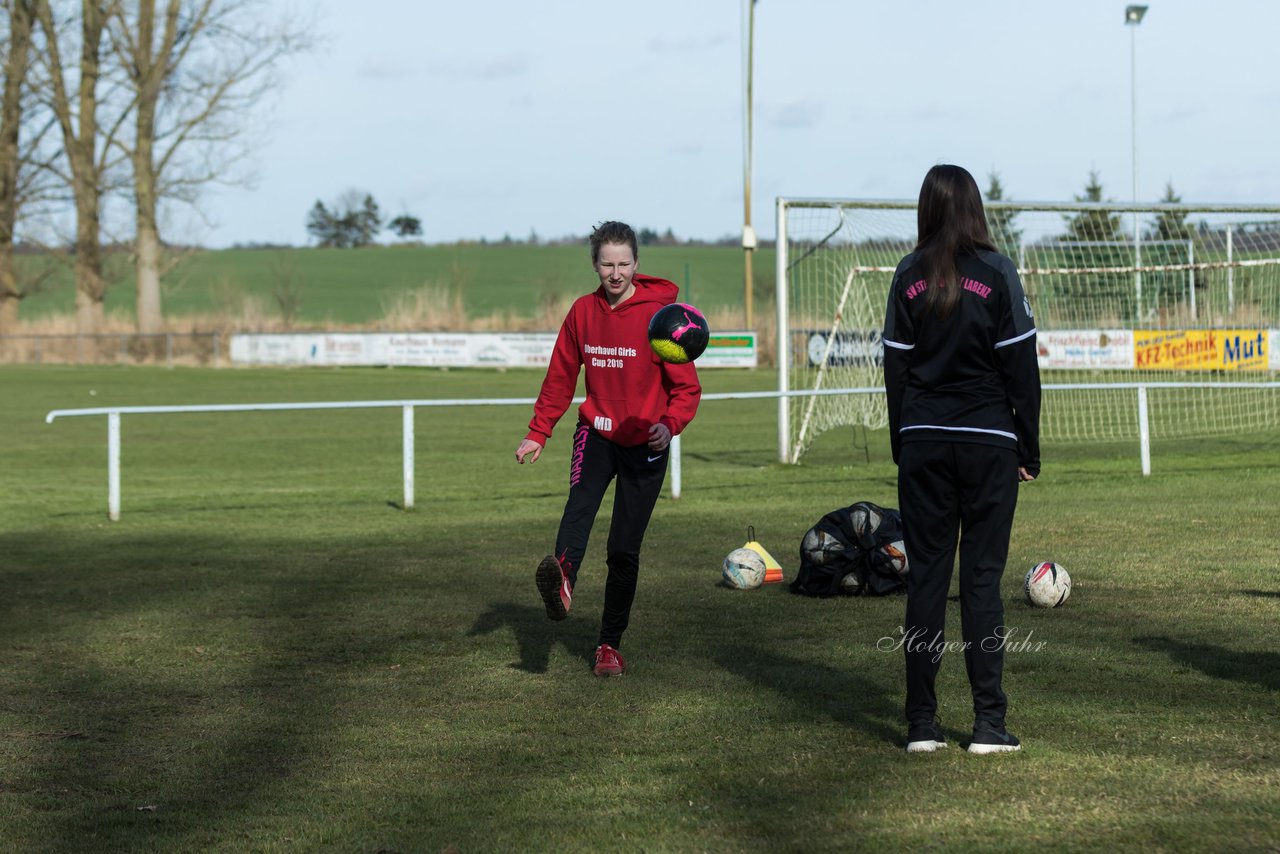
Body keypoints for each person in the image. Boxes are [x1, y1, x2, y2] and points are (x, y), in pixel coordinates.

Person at [881, 164, 1041, 754]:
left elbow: (895, 371)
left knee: (926, 579)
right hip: (988, 443)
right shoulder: (997, 272)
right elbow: (1022, 371)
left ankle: (921, 726)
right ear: (975, 207)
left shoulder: (907, 274)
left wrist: (905, 442)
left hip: (923, 439)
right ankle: (988, 727)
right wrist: (1030, 445)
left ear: (926, 207)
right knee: (980, 580)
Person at [515, 220, 701, 677]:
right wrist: (539, 431)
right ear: (594, 265)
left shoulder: (662, 317)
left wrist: (669, 425)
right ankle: (562, 582)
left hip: (645, 444)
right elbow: (561, 376)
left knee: (622, 550)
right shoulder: (582, 312)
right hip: (595, 432)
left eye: (623, 263)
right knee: (579, 507)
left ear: (636, 264)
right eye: (606, 264)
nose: (615, 273)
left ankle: (608, 646)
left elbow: (687, 391)